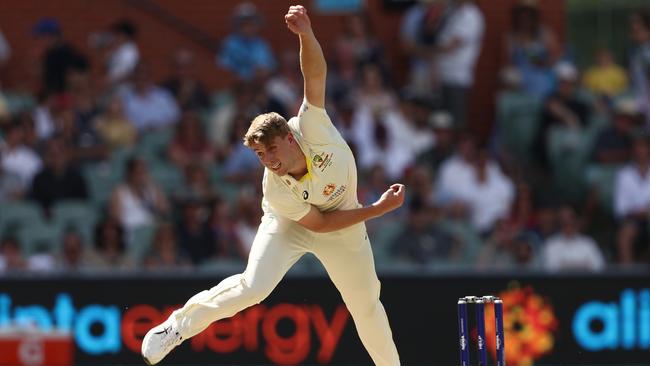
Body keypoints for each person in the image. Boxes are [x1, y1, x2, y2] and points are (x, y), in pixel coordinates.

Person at [141, 6, 403, 365]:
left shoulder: (312, 128)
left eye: (272, 150)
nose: (269, 161)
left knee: (366, 305)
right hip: (293, 224)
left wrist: (306, 34)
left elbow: (314, 75)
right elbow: (319, 225)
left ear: (289, 138)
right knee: (254, 287)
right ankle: (178, 326)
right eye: (261, 155)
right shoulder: (275, 188)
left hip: (344, 221)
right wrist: (377, 209)